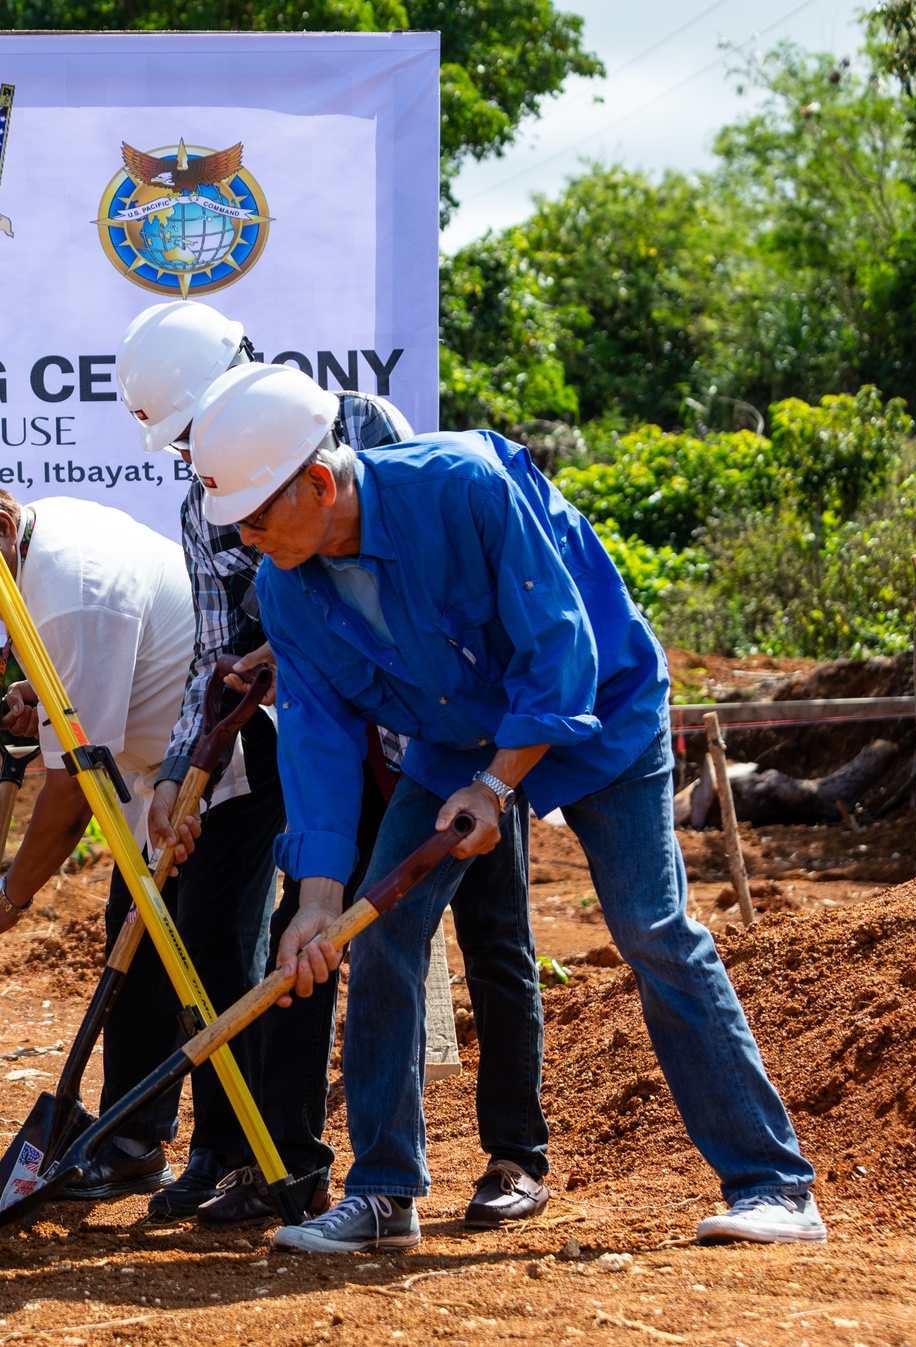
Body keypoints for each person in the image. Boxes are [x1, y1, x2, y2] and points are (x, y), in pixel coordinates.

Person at [186, 361, 824, 1252]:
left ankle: (773, 1183)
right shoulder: (290, 588)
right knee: (378, 934)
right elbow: (319, 740)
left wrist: (498, 784)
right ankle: (383, 1192)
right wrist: (319, 896)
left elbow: (561, 645)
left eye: (256, 517)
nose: (250, 539)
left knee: (650, 930)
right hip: (455, 733)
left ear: (321, 482)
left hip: (600, 712)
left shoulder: (466, 487)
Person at [115, 302, 553, 1229]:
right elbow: (212, 644)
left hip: (442, 737)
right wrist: (172, 775)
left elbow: (419, 581)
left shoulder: (363, 426)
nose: (205, 460)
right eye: (189, 442)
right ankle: (292, 1163)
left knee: (492, 934)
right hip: (325, 744)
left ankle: (515, 1153)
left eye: (201, 428)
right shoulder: (205, 500)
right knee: (305, 934)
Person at [0, 442, 243, 1204]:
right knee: (140, 947)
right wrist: (38, 695)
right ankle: (133, 1137)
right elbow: (96, 684)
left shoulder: (73, 588)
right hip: (159, 779)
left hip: (230, 762)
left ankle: (236, 1156)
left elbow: (75, 785)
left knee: (210, 958)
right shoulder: (40, 548)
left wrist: (7, 900)